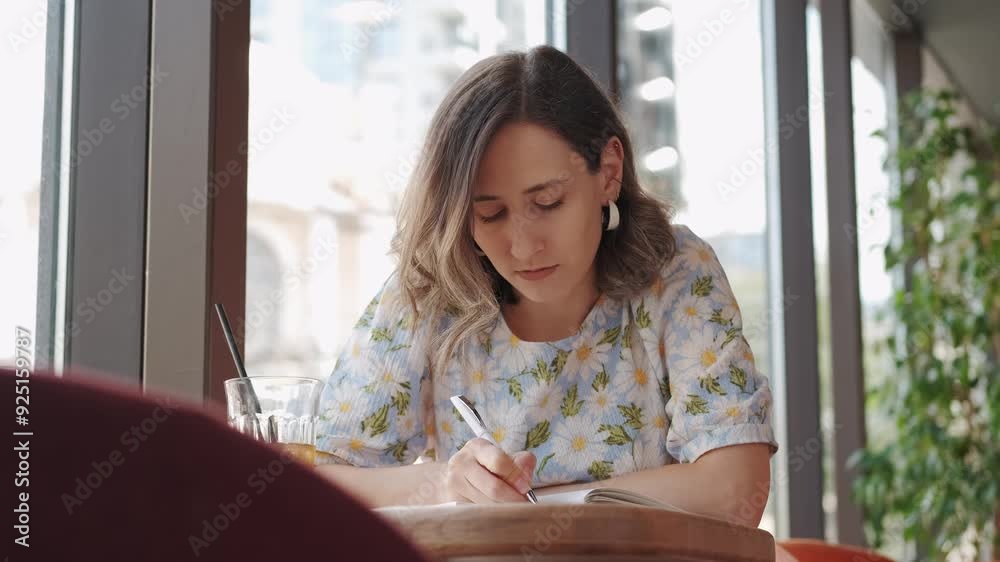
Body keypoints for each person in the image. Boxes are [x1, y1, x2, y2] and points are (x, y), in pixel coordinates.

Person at [315, 45, 778, 527]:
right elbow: (318, 483)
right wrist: (446, 483)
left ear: (609, 174)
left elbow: (734, 490)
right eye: (489, 214)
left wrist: (536, 510)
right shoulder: (431, 292)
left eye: (549, 201)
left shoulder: (676, 271)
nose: (522, 247)